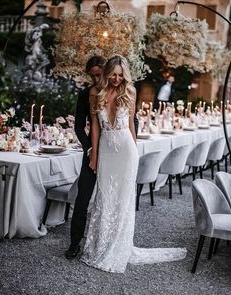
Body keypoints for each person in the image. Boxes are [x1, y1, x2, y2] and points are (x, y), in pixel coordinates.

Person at [80, 55, 187, 273]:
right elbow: (95, 127)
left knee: (122, 201)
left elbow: (130, 126)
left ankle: (117, 248)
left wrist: (135, 153)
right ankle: (99, 246)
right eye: (114, 75)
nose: (117, 79)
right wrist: (93, 155)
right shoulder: (94, 93)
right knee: (104, 198)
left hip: (126, 151)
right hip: (107, 150)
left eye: (121, 75)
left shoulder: (129, 91)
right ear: (107, 73)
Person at [65, 55, 106, 259]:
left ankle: (105, 243)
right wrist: (90, 150)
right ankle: (74, 243)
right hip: (92, 148)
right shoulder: (85, 93)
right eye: (93, 76)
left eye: (99, 75)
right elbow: (79, 126)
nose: (96, 80)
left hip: (114, 150)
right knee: (82, 198)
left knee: (109, 198)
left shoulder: (118, 91)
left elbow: (133, 120)